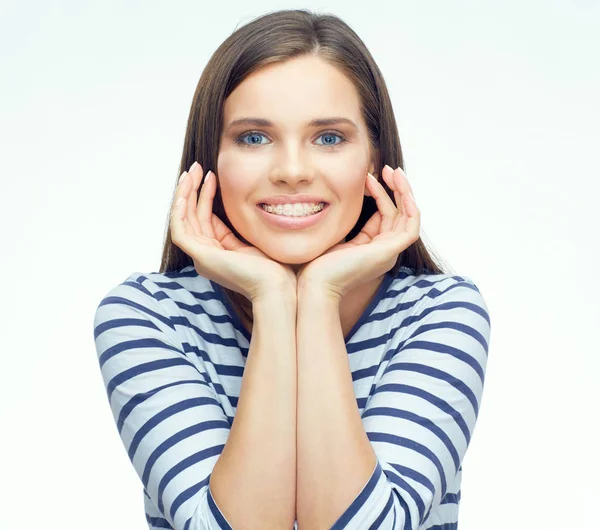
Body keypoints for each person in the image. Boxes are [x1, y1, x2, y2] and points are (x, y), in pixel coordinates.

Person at [93, 8, 491, 530]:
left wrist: (319, 298)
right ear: (209, 160)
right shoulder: (148, 316)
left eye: (328, 138)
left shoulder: (440, 313)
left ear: (374, 159)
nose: (293, 172)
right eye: (254, 138)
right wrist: (275, 301)